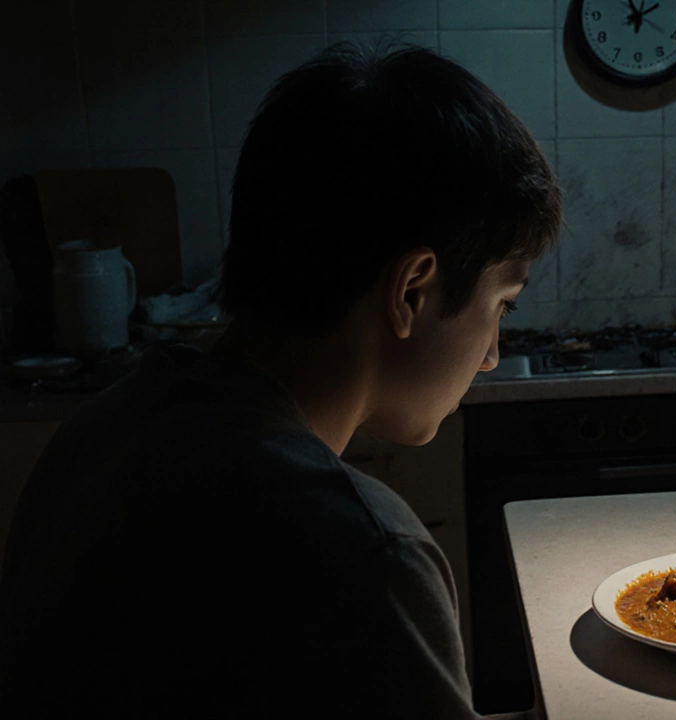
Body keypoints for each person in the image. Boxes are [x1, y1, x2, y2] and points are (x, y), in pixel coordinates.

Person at [0, 42, 560, 719]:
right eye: (501, 307)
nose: (492, 356)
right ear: (412, 291)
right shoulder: (363, 549)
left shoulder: (104, 429)